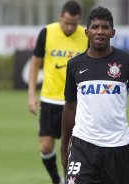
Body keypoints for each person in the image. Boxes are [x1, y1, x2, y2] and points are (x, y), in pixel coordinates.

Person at [61, 6, 129, 184]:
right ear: (87, 32)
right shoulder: (74, 65)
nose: (100, 32)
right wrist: (64, 145)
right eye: (95, 27)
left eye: (105, 27)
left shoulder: (127, 62)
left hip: (119, 148)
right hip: (83, 146)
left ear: (113, 32)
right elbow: (70, 106)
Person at [28, 1, 88, 184]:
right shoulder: (47, 32)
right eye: (67, 22)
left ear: (79, 20)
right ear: (60, 16)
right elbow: (35, 63)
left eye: (74, 23)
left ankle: (72, 181)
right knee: (46, 147)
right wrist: (31, 94)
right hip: (49, 99)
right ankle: (57, 179)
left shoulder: (86, 35)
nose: (70, 27)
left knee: (72, 149)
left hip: (75, 101)